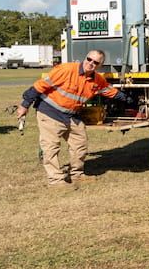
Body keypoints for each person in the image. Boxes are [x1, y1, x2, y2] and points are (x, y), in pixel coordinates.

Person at [16, 50, 135, 187]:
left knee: (80, 144)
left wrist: (129, 99)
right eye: (89, 59)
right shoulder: (66, 69)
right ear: (85, 58)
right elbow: (39, 86)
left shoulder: (97, 80)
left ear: (100, 66)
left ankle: (77, 175)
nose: (90, 63)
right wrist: (24, 105)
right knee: (51, 147)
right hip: (49, 112)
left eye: (95, 62)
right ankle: (56, 181)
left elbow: (111, 92)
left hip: (72, 115)